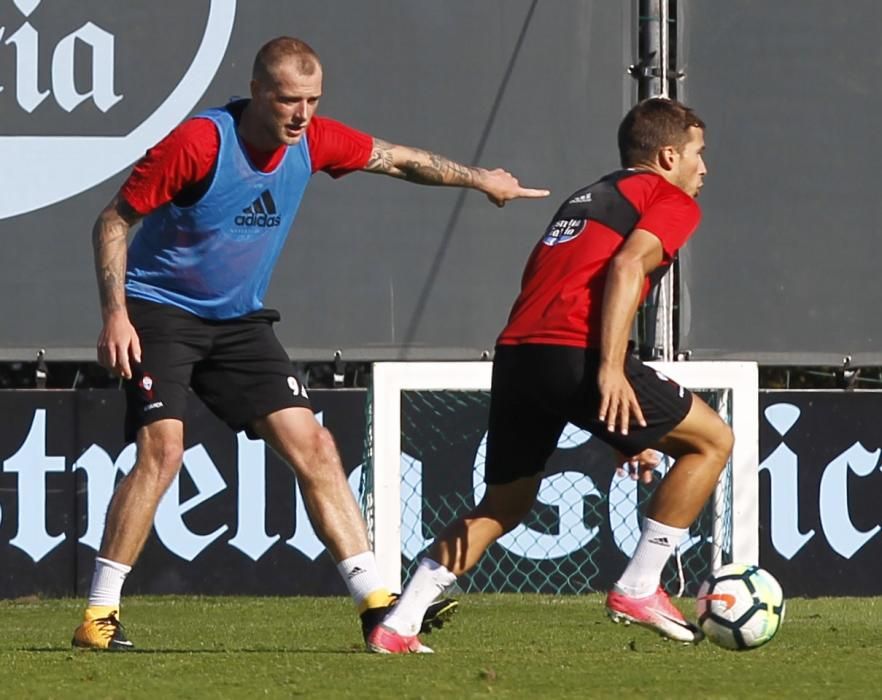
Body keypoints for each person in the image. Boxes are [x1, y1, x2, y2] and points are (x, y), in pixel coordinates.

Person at [72, 36, 549, 651]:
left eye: (313, 101)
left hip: (239, 322)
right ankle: (98, 617)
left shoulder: (315, 140)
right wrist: (116, 314)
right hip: (159, 311)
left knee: (316, 445)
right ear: (257, 92)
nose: (302, 114)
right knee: (163, 450)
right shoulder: (199, 143)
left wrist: (482, 179)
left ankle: (377, 607)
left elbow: (397, 159)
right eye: (288, 100)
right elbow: (112, 220)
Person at [367, 97, 734, 654]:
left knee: (505, 504)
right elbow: (626, 266)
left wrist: (619, 428)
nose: (704, 168)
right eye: (698, 154)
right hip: (576, 350)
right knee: (712, 441)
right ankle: (639, 585)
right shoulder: (669, 198)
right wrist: (609, 371)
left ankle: (399, 623)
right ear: (667, 156)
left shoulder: (588, 198)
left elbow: (556, 278)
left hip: (519, 353)